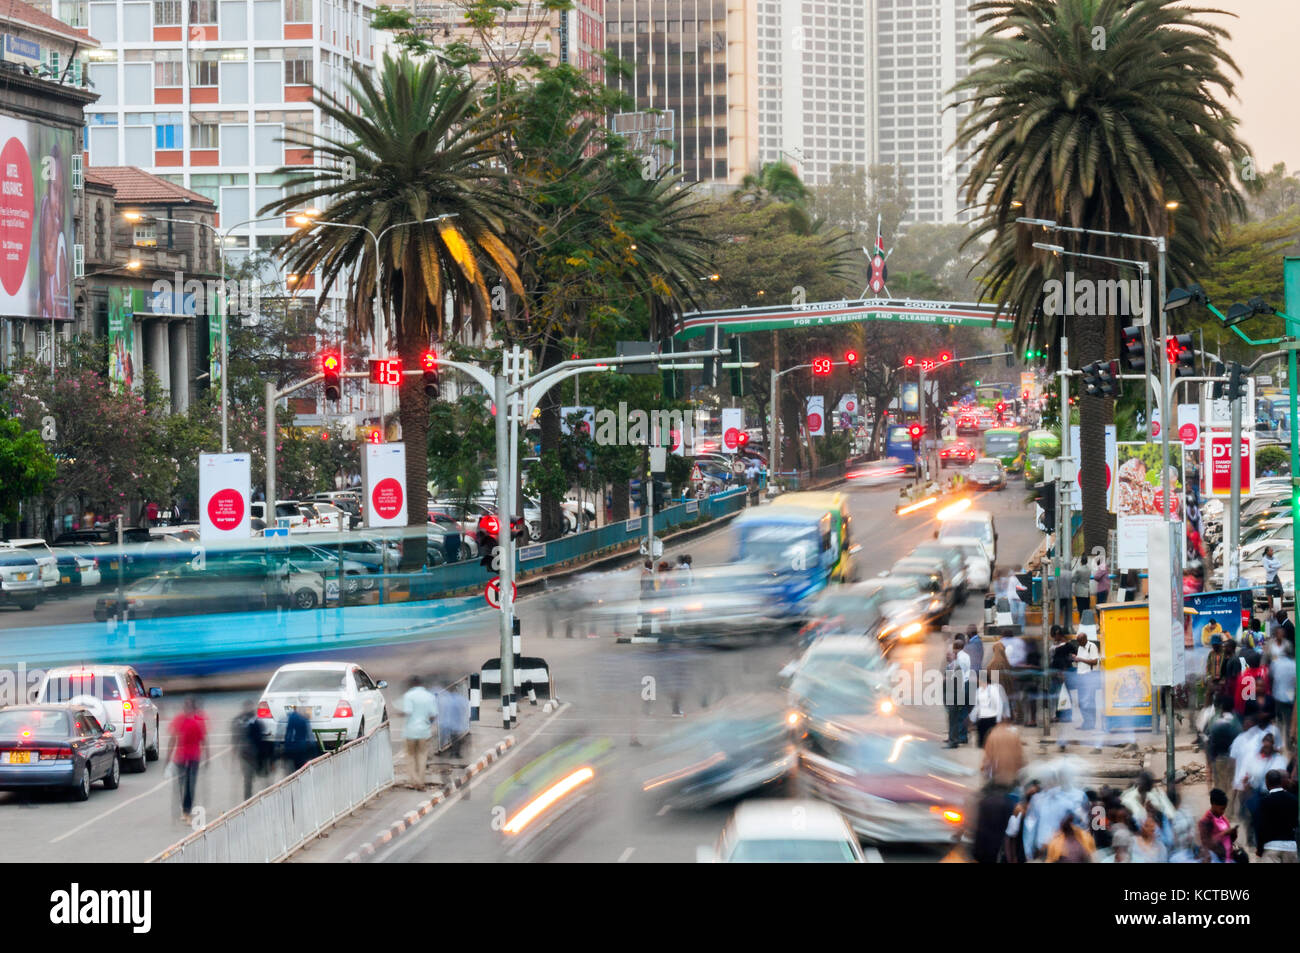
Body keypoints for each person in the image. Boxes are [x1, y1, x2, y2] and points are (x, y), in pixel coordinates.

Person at [165, 697, 207, 824]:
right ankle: (185, 810)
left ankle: (186, 811)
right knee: (184, 784)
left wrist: (168, 757)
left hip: (192, 757)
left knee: (188, 785)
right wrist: (168, 756)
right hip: (183, 757)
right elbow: (173, 738)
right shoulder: (185, 720)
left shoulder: (195, 721)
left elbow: (202, 739)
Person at [396, 676, 439, 790]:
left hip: (410, 731)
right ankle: (420, 781)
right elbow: (434, 714)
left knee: (410, 758)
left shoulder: (409, 695)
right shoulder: (429, 696)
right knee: (422, 757)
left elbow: (408, 711)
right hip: (424, 731)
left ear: (411, 685)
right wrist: (427, 723)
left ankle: (415, 782)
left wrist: (398, 713)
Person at [1254, 770, 1298, 862]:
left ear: (1266, 782)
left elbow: (1260, 827)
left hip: (1271, 847)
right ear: (1280, 782)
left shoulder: (1264, 802)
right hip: (1291, 847)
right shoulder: (1294, 800)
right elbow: (1295, 824)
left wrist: (1259, 849)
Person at [232, 699, 269, 800]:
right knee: (250, 780)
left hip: (250, 754)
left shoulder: (242, 721)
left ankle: (249, 800)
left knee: (250, 780)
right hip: (249, 754)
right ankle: (249, 800)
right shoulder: (255, 721)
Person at [1204, 701, 1242, 796]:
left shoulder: (1215, 724)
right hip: (1234, 760)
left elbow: (1211, 743)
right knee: (1231, 785)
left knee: (1220, 786)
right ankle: (1231, 808)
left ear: (1221, 710)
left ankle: (1223, 808)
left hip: (1219, 759)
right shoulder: (1237, 724)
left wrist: (1210, 759)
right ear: (1232, 709)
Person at [943, 637, 973, 748]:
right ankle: (962, 736)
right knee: (963, 711)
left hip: (960, 686)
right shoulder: (967, 656)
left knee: (957, 713)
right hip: (966, 683)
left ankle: (958, 736)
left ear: (955, 649)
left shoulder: (958, 659)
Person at [969, 675, 1011, 748]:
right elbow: (976, 706)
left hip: (991, 718)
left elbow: (999, 704)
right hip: (981, 718)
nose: (978, 683)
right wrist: (972, 718)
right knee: (981, 744)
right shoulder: (978, 691)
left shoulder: (993, 689)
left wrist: (998, 718)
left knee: (992, 743)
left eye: (980, 681)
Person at [1197, 789, 1237, 862]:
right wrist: (1224, 833)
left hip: (1228, 858)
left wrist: (1233, 833)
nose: (1223, 812)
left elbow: (1230, 840)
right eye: (1221, 809)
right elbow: (1206, 844)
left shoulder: (1223, 818)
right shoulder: (1205, 821)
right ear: (1214, 804)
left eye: (1224, 809)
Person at [1270, 641, 1295, 750]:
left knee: (1279, 721)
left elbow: (1271, 677)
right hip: (1290, 696)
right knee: (1289, 721)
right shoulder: (1295, 665)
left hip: (1278, 695)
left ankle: (1280, 745)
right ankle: (1289, 745)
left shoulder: (1276, 663)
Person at [1073, 632, 1101, 731]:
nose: (1079, 643)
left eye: (1080, 641)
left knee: (1089, 701)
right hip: (1081, 676)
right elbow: (1081, 660)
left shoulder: (1092, 647)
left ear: (1085, 639)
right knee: (1081, 701)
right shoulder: (1080, 647)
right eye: (1078, 641)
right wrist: (1076, 659)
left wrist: (1080, 659)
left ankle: (1090, 724)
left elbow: (1094, 661)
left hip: (1089, 676)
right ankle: (1087, 722)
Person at [283, 705, 316, 772]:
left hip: (293, 746)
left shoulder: (292, 717)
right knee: (301, 767)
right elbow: (309, 735)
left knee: (294, 768)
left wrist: (286, 745)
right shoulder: (304, 718)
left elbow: (289, 733)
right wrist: (314, 749)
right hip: (302, 746)